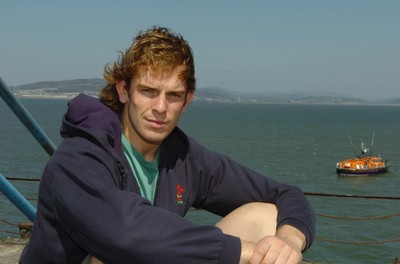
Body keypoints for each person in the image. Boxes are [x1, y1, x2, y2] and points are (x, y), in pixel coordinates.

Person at [20, 26, 315, 264]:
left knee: (266, 217)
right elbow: (126, 234)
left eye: (173, 95)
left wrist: (289, 240)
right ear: (124, 92)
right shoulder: (79, 157)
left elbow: (285, 194)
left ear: (187, 101)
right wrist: (244, 253)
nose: (160, 107)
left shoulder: (184, 158)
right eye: (148, 91)